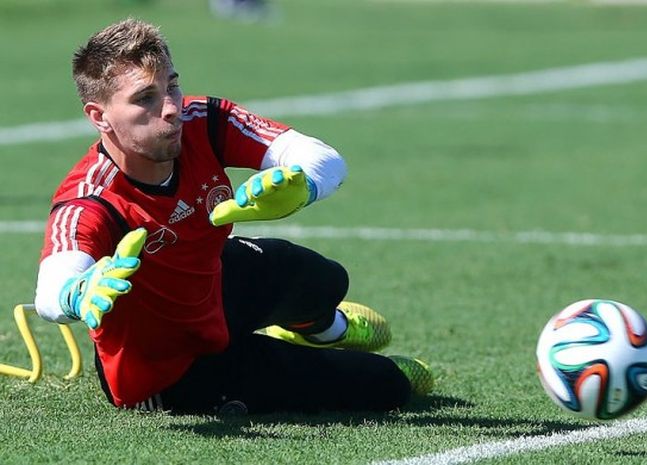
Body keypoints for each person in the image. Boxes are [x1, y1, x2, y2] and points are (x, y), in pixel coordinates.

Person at [33, 18, 433, 415]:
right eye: (145, 98)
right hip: (170, 367)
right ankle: (315, 357)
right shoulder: (90, 199)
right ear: (99, 116)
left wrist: (302, 186)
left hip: (212, 284)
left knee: (323, 278)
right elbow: (52, 290)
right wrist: (78, 292)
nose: (170, 107)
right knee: (387, 384)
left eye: (172, 84)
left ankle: (325, 330)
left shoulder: (201, 121)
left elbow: (322, 159)